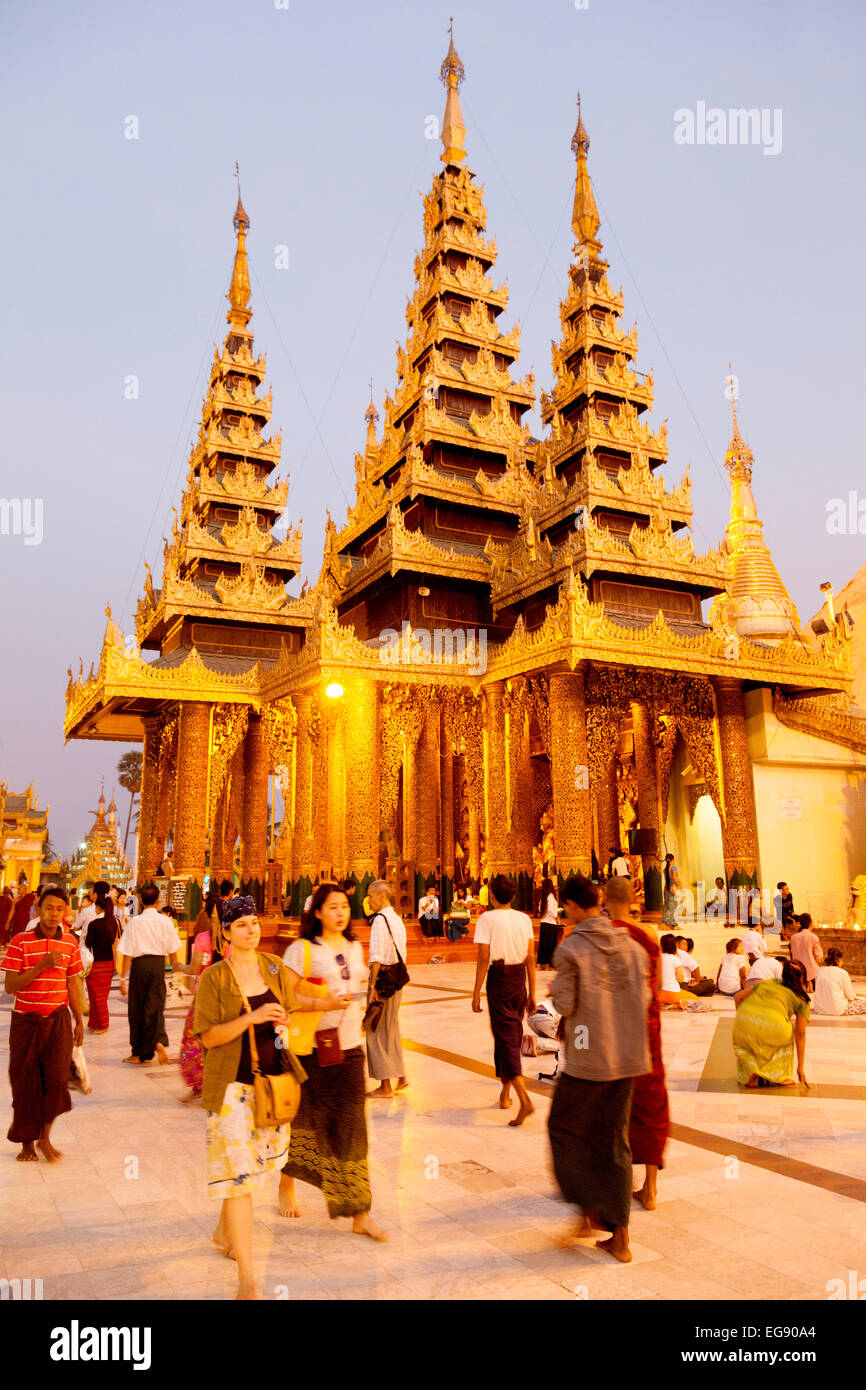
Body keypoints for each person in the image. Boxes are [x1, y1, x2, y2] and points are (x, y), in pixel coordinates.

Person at [194, 894, 324, 1300]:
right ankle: (248, 1279)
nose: (251, 930)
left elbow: (289, 1010)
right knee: (239, 1178)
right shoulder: (215, 977)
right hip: (232, 1090)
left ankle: (222, 1231)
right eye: (241, 925)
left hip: (271, 1086)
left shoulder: (273, 966)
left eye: (253, 922)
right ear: (227, 933)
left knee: (251, 1173)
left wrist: (286, 1019)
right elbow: (209, 1037)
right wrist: (249, 1017)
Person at [548, 875, 650, 1263]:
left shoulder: (572, 948)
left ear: (573, 906)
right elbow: (642, 998)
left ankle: (588, 1209)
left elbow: (565, 1004)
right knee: (614, 1141)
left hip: (588, 1059)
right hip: (626, 1057)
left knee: (564, 1129)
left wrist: (557, 993)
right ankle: (620, 1237)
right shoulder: (630, 944)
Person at [279, 883, 387, 1241]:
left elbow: (356, 987)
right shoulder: (302, 950)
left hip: (350, 1046)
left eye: (344, 906)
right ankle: (287, 1184)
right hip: (311, 1048)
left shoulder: (356, 947)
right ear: (318, 912)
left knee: (354, 1126)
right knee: (306, 1124)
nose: (340, 912)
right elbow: (288, 998)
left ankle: (360, 1212)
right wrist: (325, 1003)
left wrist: (364, 998)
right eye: (333, 907)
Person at [3, 886, 84, 1162]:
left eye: (59, 909)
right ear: (38, 910)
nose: (53, 914)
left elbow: (72, 982)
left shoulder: (71, 943)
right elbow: (10, 986)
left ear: (66, 913)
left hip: (58, 1018)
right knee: (25, 1082)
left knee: (57, 1080)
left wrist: (79, 1020)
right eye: (49, 908)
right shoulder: (21, 942)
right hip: (26, 1020)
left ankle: (45, 1138)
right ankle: (26, 1141)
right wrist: (41, 966)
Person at [605, 876, 668, 1213]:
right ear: (634, 899)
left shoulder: (604, 935)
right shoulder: (650, 934)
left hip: (616, 1027)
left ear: (604, 897)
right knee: (651, 1102)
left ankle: (618, 1183)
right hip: (647, 1024)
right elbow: (655, 985)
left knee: (618, 1103)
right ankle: (651, 1189)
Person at [472, 874, 536, 1127]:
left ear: (493, 895)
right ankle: (505, 1093)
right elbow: (531, 957)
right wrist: (532, 991)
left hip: (499, 979)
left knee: (506, 1038)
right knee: (510, 1035)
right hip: (519, 978)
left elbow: (482, 959)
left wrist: (476, 991)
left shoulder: (487, 918)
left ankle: (524, 1099)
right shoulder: (524, 919)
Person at [118, 883, 182, 1064]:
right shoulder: (166, 921)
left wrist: (123, 978)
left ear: (140, 900)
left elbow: (127, 953)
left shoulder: (135, 922)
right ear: (158, 900)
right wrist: (176, 977)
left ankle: (139, 1053)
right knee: (156, 1005)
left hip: (139, 966)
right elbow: (173, 952)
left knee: (137, 1008)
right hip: (158, 965)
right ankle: (159, 1041)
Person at [176, 890, 225, 1102]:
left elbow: (194, 969)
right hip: (227, 997)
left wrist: (179, 966)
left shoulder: (203, 938)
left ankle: (199, 1085)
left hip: (204, 995)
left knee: (194, 1040)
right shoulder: (231, 939)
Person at [732, 959, 810, 1088]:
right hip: (774, 1029)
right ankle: (777, 1076)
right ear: (803, 977)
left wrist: (743, 1019)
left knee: (753, 1041)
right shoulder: (802, 998)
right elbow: (800, 1033)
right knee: (786, 1031)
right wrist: (800, 1067)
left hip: (743, 1025)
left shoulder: (768, 982)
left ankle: (753, 1073)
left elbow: (738, 997)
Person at [365, 879, 408, 1098]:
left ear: (381, 896)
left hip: (382, 982)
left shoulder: (380, 921)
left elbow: (377, 957)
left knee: (376, 1030)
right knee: (391, 1028)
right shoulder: (397, 919)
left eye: (371, 896)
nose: (369, 901)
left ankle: (385, 1086)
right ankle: (401, 1075)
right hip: (397, 980)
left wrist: (373, 986)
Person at [84, 886, 119, 1033]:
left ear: (98, 907)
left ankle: (103, 1025)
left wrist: (84, 937)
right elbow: (115, 942)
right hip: (109, 964)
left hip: (97, 964)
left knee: (96, 997)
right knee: (101, 996)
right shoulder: (113, 922)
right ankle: (94, 1023)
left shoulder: (94, 924)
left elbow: (88, 944)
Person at [812, 947, 866, 1016]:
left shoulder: (819, 970)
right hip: (838, 1009)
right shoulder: (842, 973)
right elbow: (850, 996)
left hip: (819, 1009)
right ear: (838, 959)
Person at [659, 933, 701, 1009]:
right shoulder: (675, 958)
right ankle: (676, 1005)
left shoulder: (658, 958)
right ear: (674, 945)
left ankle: (665, 1004)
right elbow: (681, 979)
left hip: (660, 994)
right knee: (696, 999)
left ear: (661, 945)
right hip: (673, 994)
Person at [789, 914, 823, 993]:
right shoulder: (813, 937)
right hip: (811, 974)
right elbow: (818, 957)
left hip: (797, 973)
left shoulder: (793, 937)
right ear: (811, 924)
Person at [536, 876, 560, 969]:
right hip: (551, 923)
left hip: (544, 922)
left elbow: (539, 908)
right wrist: (556, 915)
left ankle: (541, 964)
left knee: (543, 945)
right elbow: (552, 910)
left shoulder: (544, 896)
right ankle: (549, 965)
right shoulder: (551, 896)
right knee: (551, 945)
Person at [661, 854, 681, 927]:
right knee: (673, 907)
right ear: (673, 859)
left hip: (666, 888)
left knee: (667, 906)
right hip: (672, 889)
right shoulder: (673, 868)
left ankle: (668, 923)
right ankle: (670, 923)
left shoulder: (665, 869)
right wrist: (680, 886)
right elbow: (674, 878)